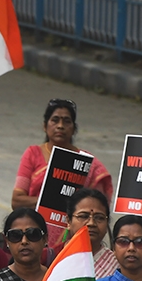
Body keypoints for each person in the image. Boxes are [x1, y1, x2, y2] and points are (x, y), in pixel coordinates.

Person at [12, 99, 113, 244]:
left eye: (67, 121)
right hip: (34, 233)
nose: (60, 126)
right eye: (55, 120)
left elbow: (98, 207)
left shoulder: (87, 162)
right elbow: (17, 200)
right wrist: (53, 203)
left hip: (74, 237)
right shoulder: (33, 153)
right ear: (45, 126)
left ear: (73, 128)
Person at [48, 188, 117, 278]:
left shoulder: (116, 266)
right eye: (83, 216)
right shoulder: (51, 257)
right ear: (68, 221)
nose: (91, 223)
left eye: (99, 218)